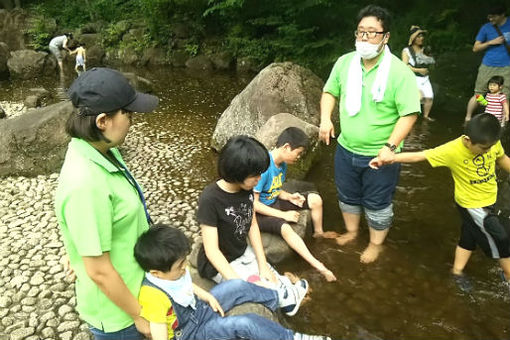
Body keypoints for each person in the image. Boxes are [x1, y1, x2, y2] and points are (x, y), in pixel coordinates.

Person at [55, 67, 159, 340]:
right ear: (103, 121)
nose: (133, 120)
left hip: (135, 285)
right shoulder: (85, 182)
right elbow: (99, 271)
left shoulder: (102, 150)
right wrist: (139, 315)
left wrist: (75, 248)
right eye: (128, 113)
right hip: (119, 316)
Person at [319, 5, 420, 263]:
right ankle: (352, 232)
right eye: (361, 32)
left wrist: (390, 146)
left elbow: (409, 113)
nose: (364, 39)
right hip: (345, 147)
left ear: (386, 37)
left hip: (381, 154)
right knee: (347, 195)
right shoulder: (345, 63)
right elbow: (330, 92)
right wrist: (325, 120)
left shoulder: (399, 72)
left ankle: (376, 244)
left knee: (378, 202)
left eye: (372, 33)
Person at [370, 113, 510, 292]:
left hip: (490, 198)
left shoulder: (490, 142)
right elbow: (420, 156)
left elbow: (502, 159)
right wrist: (389, 158)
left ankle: (457, 272)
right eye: (484, 148)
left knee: (469, 235)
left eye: (490, 147)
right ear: (467, 140)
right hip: (472, 205)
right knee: (501, 238)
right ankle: (507, 276)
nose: (488, 150)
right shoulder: (452, 150)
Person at [134, 224, 333, 340]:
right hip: (191, 333)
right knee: (243, 323)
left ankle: (280, 298)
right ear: (156, 273)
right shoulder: (153, 296)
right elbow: (158, 333)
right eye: (180, 266)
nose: (185, 268)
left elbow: (186, 285)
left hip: (201, 309)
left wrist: (207, 296)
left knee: (236, 286)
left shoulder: (173, 274)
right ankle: (291, 338)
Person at [196, 135, 308, 317]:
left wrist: (263, 264)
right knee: (261, 289)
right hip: (220, 263)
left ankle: (287, 292)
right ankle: (288, 295)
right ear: (237, 172)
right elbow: (212, 251)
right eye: (255, 175)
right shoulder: (210, 199)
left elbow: (252, 224)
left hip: (242, 251)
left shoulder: (246, 190)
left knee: (271, 279)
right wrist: (240, 284)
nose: (259, 179)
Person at [253, 127, 338, 282]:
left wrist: (290, 197)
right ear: (286, 147)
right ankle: (319, 266)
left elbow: (275, 189)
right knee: (286, 229)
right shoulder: (264, 167)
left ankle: (318, 233)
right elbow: (254, 204)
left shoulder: (282, 165)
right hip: (262, 212)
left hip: (274, 201)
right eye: (298, 153)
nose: (299, 157)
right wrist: (283, 215)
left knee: (315, 199)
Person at [465, 3, 510, 123]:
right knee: (479, 93)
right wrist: (491, 42)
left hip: (507, 66)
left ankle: (502, 123)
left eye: (493, 17)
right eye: (489, 17)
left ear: (502, 15)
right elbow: (475, 48)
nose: (491, 19)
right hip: (488, 65)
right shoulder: (486, 28)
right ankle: (468, 118)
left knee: (505, 95)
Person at [402, 26, 436, 121]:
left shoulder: (425, 50)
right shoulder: (406, 51)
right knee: (418, 97)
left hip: (425, 78)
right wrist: (418, 70)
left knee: (429, 97)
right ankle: (411, 118)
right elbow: (404, 66)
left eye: (422, 36)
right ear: (413, 38)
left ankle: (426, 117)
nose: (421, 38)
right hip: (413, 78)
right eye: (418, 36)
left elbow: (431, 63)